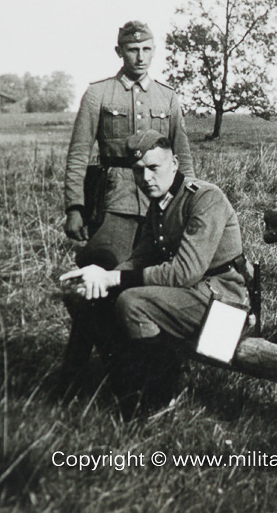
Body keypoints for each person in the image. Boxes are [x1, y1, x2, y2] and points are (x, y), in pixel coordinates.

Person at [60, 130, 246, 416]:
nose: (145, 178)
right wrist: (98, 278)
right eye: (138, 171)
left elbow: (185, 272)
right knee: (92, 298)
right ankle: (125, 390)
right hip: (190, 296)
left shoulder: (205, 199)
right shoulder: (160, 204)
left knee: (132, 302)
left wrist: (113, 279)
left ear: (174, 163)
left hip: (225, 303)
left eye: (153, 168)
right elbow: (140, 259)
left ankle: (161, 397)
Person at [59, 21, 195, 382]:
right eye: (133, 50)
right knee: (99, 277)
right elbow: (78, 154)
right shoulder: (99, 94)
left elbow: (183, 156)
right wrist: (75, 206)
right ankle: (102, 366)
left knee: (149, 286)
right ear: (119, 51)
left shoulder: (167, 97)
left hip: (158, 205)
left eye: (147, 49)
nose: (141, 57)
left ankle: (146, 364)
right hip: (114, 203)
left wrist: (187, 205)